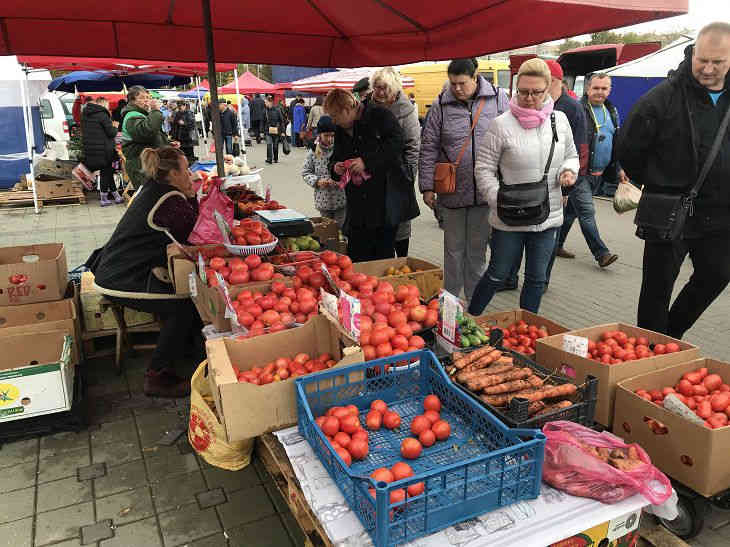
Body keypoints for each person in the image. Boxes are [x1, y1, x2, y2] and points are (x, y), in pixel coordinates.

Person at [618, 22, 730, 339]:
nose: (707, 68)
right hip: (668, 209)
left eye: (717, 62)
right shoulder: (663, 97)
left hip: (721, 214)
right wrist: (659, 182)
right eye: (702, 59)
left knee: (717, 274)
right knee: (657, 287)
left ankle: (670, 334)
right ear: (693, 53)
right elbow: (629, 147)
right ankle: (650, 350)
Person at [468, 58, 578, 315]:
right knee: (497, 274)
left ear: (548, 89)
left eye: (536, 92)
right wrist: (497, 198)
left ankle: (524, 330)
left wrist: (569, 171)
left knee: (537, 279)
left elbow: (571, 154)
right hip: (509, 217)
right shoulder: (501, 124)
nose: (529, 97)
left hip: (547, 216)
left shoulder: (560, 121)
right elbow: (483, 168)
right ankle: (470, 319)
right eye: (523, 91)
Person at [93, 146, 202, 398]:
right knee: (183, 304)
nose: (190, 175)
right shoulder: (170, 199)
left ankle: (184, 350)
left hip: (116, 267)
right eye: (186, 170)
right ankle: (157, 376)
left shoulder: (151, 186)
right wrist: (192, 194)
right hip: (123, 277)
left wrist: (189, 192)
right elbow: (194, 233)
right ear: (172, 173)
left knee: (185, 297)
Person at [419, 58, 509, 301]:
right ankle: (450, 301)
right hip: (452, 190)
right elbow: (429, 146)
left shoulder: (499, 98)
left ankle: (474, 303)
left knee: (477, 251)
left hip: (485, 189)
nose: (457, 89)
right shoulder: (440, 103)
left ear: (475, 76)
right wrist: (427, 186)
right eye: (453, 83)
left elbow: (509, 139)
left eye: (462, 83)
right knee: (453, 250)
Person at [326, 89, 417, 262]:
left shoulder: (379, 115)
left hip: (384, 202)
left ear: (346, 109)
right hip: (357, 208)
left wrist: (366, 162)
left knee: (382, 256)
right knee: (357, 256)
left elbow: (396, 144)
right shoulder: (340, 129)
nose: (333, 120)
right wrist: (335, 168)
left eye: (335, 115)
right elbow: (335, 157)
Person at [371, 66, 421, 257]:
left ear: (394, 87)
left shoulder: (405, 109)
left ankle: (401, 260)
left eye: (384, 88)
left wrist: (408, 175)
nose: (380, 92)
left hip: (398, 175)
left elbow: (413, 145)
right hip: (372, 175)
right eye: (377, 87)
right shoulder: (368, 106)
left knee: (399, 223)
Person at [581, 73, 626, 199]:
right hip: (582, 176)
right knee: (587, 214)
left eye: (604, 88)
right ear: (588, 88)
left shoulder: (612, 111)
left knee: (572, 214)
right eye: (596, 88)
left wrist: (619, 169)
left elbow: (616, 143)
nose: (600, 92)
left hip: (602, 177)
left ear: (609, 90)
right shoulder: (578, 109)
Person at [120, 86, 171, 189]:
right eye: (143, 98)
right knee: (149, 197)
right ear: (133, 100)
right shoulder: (131, 116)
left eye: (148, 97)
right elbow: (147, 132)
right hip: (140, 166)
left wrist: (167, 143)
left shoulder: (141, 114)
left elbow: (153, 135)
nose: (147, 100)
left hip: (146, 164)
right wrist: (155, 111)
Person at [301, 116, 346, 228]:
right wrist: (317, 181)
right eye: (326, 135)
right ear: (319, 134)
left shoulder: (340, 149)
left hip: (341, 199)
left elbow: (348, 169)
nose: (330, 139)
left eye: (332, 135)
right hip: (323, 200)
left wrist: (341, 180)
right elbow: (306, 172)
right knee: (327, 230)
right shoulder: (313, 152)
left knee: (341, 230)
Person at [81, 97, 122, 206]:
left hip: (92, 148)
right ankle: (104, 198)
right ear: (104, 105)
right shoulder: (103, 115)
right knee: (106, 172)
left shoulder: (85, 115)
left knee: (108, 171)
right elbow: (111, 133)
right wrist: (115, 126)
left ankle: (116, 195)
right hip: (104, 148)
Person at [264, 95, 286, 164]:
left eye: (266, 102)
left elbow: (281, 121)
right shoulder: (265, 110)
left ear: (270, 102)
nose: (265, 103)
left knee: (275, 146)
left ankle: (275, 158)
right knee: (269, 144)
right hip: (268, 130)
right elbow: (263, 121)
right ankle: (269, 159)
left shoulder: (277, 110)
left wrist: (282, 131)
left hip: (276, 130)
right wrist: (262, 130)